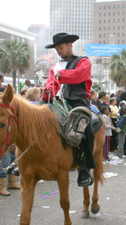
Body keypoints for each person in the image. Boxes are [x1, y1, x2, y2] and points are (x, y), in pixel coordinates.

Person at [41, 32, 94, 187]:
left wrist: (61, 75)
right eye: (57, 49)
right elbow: (51, 84)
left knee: (87, 128)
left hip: (77, 100)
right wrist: (47, 91)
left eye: (61, 47)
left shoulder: (84, 62)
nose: (59, 51)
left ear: (70, 45)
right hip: (57, 101)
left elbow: (78, 76)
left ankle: (84, 167)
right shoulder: (55, 67)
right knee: (35, 118)